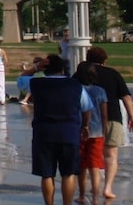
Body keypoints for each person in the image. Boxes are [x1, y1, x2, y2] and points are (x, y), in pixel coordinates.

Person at [29, 54, 94, 205]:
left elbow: (20, 80)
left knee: (46, 174)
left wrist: (36, 67)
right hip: (69, 133)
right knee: (68, 173)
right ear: (63, 70)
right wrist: (85, 126)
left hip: (43, 134)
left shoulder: (36, 83)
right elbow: (87, 107)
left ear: (45, 69)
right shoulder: (75, 85)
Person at [86, 46, 133, 200]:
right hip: (112, 117)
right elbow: (126, 97)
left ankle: (93, 186)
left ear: (87, 59)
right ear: (105, 61)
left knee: (90, 155)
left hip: (89, 120)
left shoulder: (82, 74)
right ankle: (107, 188)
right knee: (111, 155)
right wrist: (131, 116)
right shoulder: (113, 74)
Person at [73, 61, 108, 203]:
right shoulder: (100, 91)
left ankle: (81, 195)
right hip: (97, 132)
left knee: (81, 165)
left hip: (78, 131)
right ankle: (95, 196)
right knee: (94, 165)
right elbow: (104, 114)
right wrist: (104, 130)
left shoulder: (75, 90)